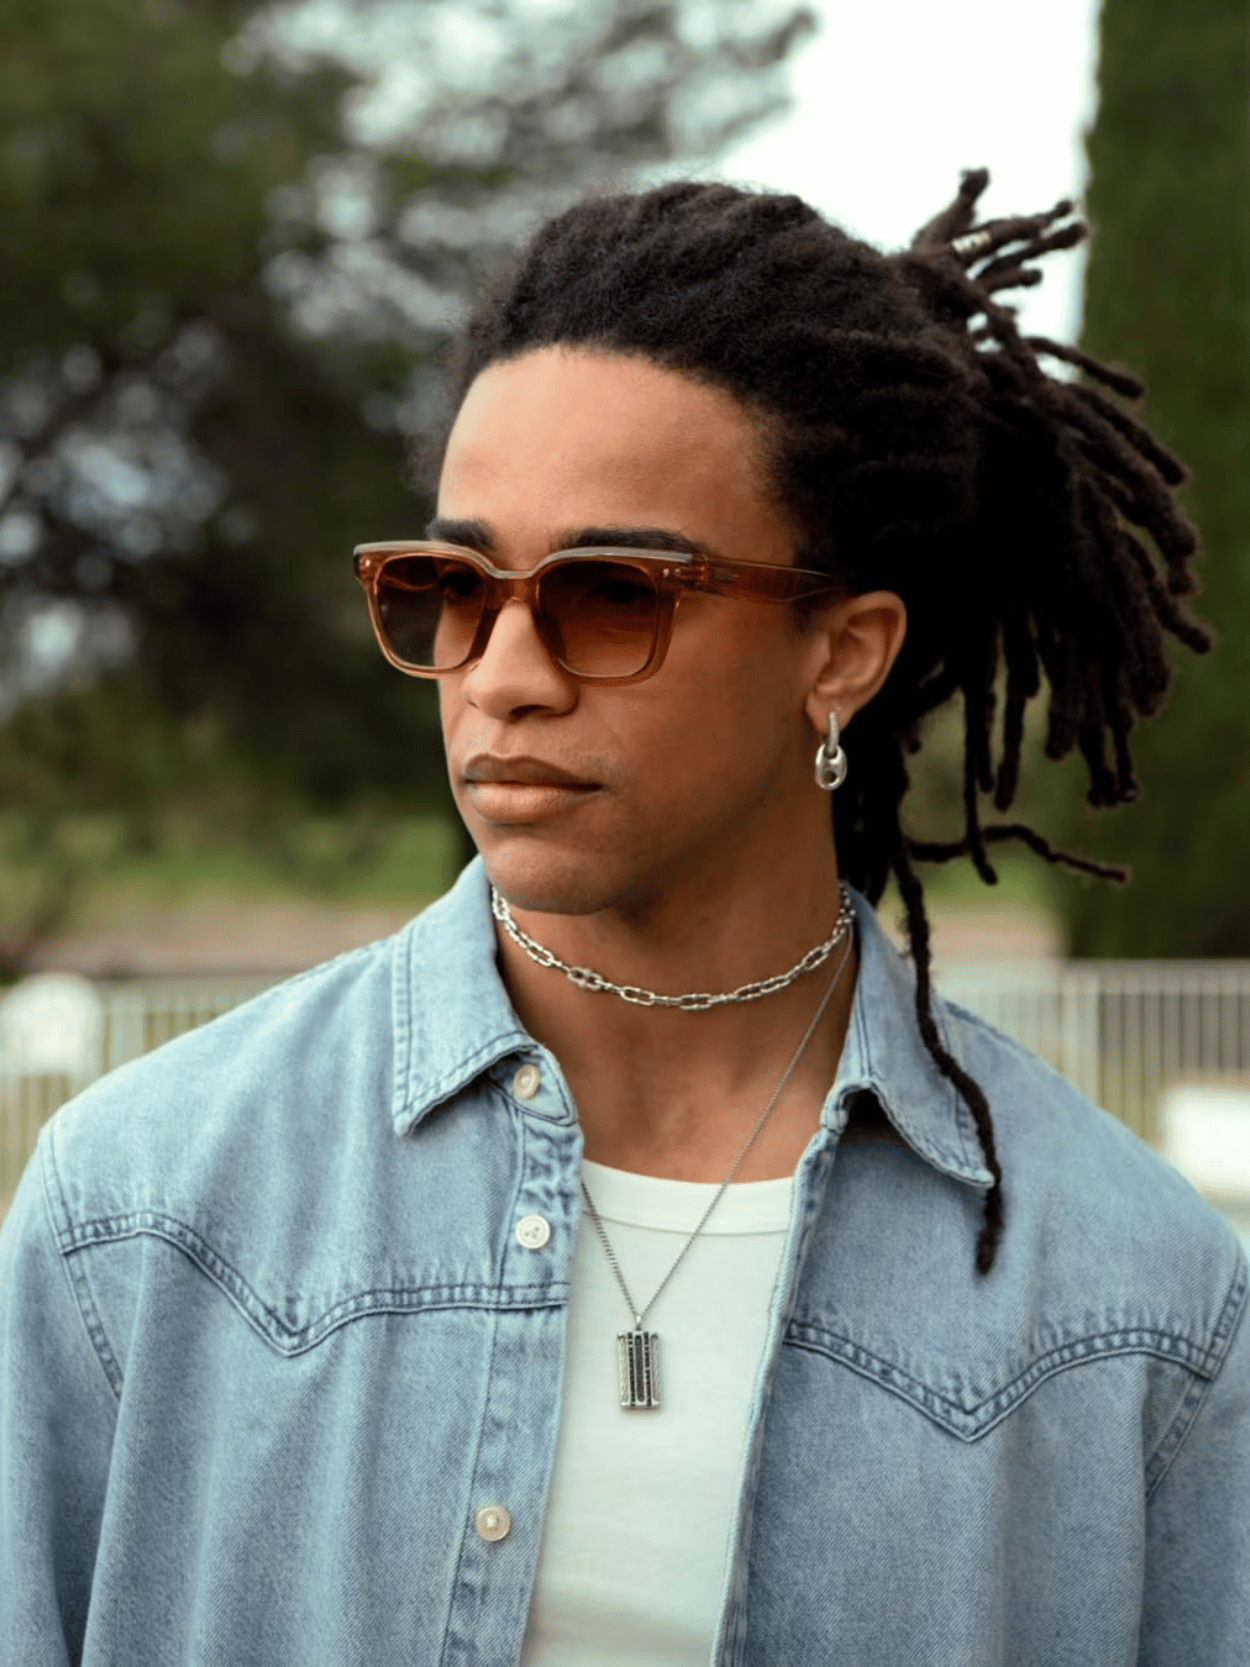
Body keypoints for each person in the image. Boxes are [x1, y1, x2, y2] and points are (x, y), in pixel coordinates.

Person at [1, 171, 1246, 1666]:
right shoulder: (140, 1210)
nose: (504, 673)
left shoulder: (1136, 1307)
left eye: (610, 594)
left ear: (841, 655)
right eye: (454, 585)